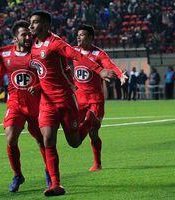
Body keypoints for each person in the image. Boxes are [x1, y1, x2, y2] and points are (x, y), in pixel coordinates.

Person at [29, 10, 116, 196]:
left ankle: (88, 121)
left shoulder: (56, 43)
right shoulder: (33, 45)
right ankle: (56, 184)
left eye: (35, 22)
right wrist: (37, 85)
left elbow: (78, 56)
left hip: (65, 100)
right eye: (31, 23)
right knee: (48, 141)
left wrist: (99, 71)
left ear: (45, 24)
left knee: (74, 143)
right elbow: (42, 72)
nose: (31, 26)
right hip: (46, 102)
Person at [0, 20, 49, 193]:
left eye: (29, 34)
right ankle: (17, 174)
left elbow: (47, 77)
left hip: (36, 104)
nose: (28, 37)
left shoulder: (37, 53)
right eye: (24, 34)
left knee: (42, 140)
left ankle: (49, 170)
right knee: (11, 138)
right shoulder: (6, 56)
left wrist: (37, 87)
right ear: (15, 38)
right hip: (15, 103)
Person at [73, 24, 127, 172]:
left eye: (82, 35)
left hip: (95, 99)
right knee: (74, 132)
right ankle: (86, 125)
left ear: (90, 37)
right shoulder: (74, 51)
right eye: (77, 35)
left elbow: (109, 65)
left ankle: (97, 163)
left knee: (93, 132)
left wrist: (120, 74)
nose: (78, 37)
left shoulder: (98, 54)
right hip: (79, 99)